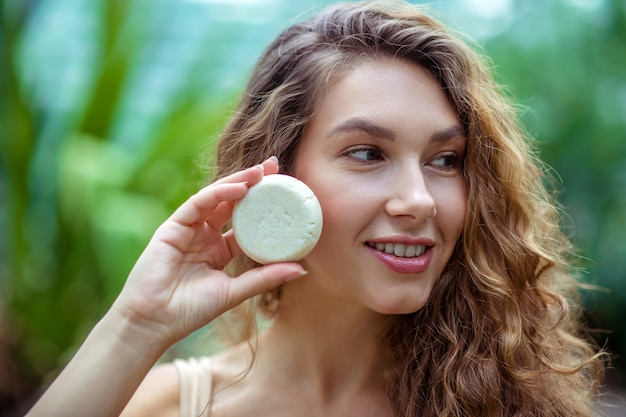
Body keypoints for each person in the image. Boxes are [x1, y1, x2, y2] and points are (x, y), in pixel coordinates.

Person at [26, 1, 606, 416]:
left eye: (446, 159)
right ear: (277, 179)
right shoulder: (166, 405)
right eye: (367, 153)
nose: (419, 200)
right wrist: (136, 327)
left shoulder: (511, 400)